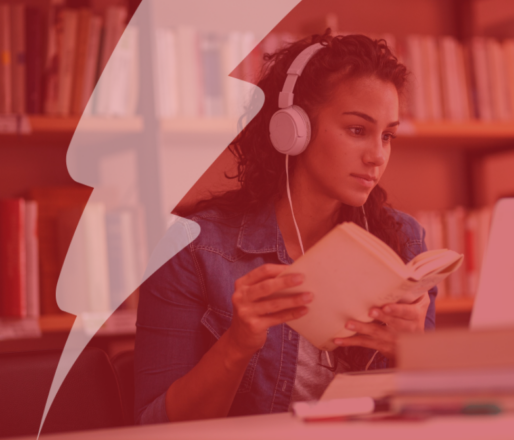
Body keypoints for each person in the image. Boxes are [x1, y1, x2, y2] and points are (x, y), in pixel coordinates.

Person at [134, 30, 438, 424]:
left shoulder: (404, 242)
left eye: (388, 135)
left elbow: (430, 417)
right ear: (294, 129)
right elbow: (154, 426)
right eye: (357, 130)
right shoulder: (191, 248)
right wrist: (237, 344)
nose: (377, 156)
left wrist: (414, 352)